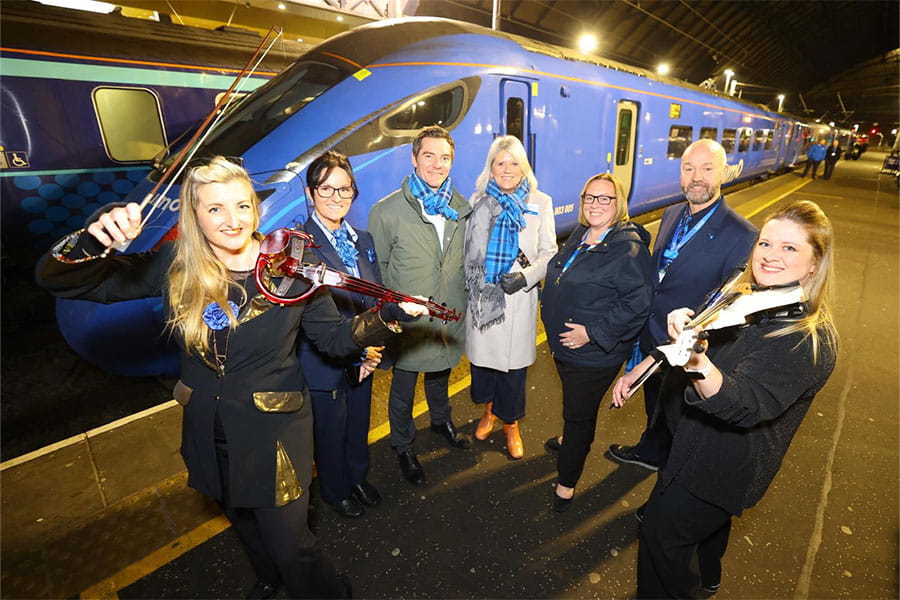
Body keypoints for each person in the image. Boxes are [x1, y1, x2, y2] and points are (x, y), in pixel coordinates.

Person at [36, 157, 424, 599]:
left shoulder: (294, 266)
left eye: (242, 206)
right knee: (242, 522)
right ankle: (267, 577)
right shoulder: (175, 266)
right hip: (208, 428)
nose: (232, 219)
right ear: (194, 213)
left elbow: (335, 341)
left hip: (275, 434)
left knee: (292, 545)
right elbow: (62, 282)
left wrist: (386, 315)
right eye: (215, 208)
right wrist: (92, 238)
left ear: (256, 211)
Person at [613, 200, 838, 598]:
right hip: (687, 444)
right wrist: (663, 350)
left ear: (814, 264)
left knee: (661, 540)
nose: (770, 256)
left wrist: (697, 360)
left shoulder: (807, 339)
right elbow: (696, 331)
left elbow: (744, 403)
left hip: (717, 467)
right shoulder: (746, 295)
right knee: (703, 536)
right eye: (766, 243)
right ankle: (709, 578)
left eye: (789, 248)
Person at [608, 139, 757, 472]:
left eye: (707, 168)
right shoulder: (672, 212)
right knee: (654, 407)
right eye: (688, 169)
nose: (696, 177)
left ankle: (668, 491)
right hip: (651, 333)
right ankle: (651, 451)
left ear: (723, 171)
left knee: (679, 424)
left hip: (687, 349)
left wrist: (674, 344)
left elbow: (721, 304)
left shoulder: (742, 233)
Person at [540, 172, 654, 512]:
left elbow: (638, 303)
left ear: (619, 205)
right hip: (566, 350)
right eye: (590, 197)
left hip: (592, 355)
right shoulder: (583, 233)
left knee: (580, 415)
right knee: (576, 405)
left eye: (605, 198)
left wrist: (592, 333)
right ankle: (569, 438)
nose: (596, 205)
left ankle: (567, 483)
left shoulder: (628, 250)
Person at [368, 125, 472, 487]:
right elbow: (377, 272)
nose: (437, 164)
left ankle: (441, 420)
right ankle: (403, 445)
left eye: (445, 158)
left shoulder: (461, 208)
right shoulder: (387, 212)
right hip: (408, 322)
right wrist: (385, 320)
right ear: (414, 158)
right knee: (403, 388)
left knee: (442, 372)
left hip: (448, 311)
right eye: (429, 156)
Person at [297, 151, 385, 519]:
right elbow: (305, 318)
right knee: (330, 433)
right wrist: (355, 354)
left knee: (358, 424)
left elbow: (377, 296)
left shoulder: (363, 239)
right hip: (324, 361)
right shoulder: (299, 246)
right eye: (326, 189)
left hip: (364, 354)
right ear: (310, 193)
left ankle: (357, 478)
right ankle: (336, 491)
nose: (336, 198)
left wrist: (374, 348)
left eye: (345, 189)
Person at [464, 136, 557, 459]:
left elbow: (550, 253)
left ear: (524, 167)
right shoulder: (477, 200)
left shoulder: (540, 202)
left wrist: (527, 277)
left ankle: (511, 424)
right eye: (500, 162)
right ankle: (489, 411)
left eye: (514, 162)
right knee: (485, 368)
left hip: (518, 300)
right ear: (490, 168)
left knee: (514, 372)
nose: (507, 169)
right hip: (484, 301)